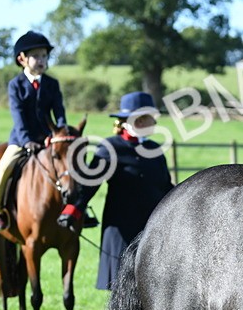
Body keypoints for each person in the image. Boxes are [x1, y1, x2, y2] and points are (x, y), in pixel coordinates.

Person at [63, 92, 174, 289]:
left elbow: (167, 187)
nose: (151, 122)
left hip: (153, 226)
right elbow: (90, 184)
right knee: (123, 287)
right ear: (132, 120)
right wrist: (74, 209)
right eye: (146, 117)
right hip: (122, 227)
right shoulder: (110, 147)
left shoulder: (155, 149)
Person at [0, 30, 67, 231]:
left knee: (70, 166)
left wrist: (61, 132)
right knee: (4, 168)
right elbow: (18, 116)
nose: (41, 60)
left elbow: (59, 111)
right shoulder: (16, 85)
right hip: (22, 140)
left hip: (49, 139)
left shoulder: (52, 84)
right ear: (22, 59)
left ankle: (77, 209)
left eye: (44, 56)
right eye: (36, 56)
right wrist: (26, 140)